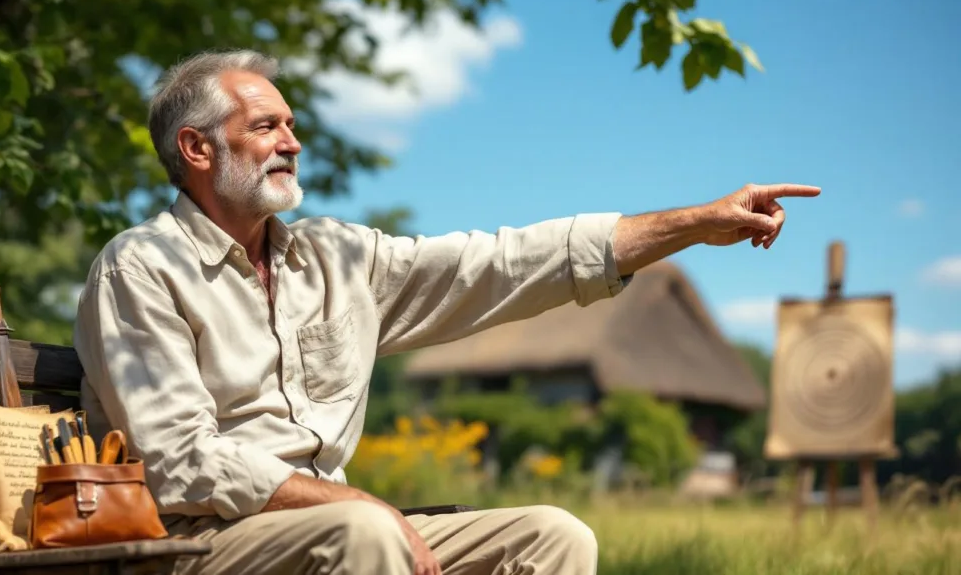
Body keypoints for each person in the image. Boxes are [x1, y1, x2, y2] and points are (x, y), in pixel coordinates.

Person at [72, 49, 820, 575]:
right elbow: (182, 464)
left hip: (342, 528)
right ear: (196, 148)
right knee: (363, 532)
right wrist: (362, 502)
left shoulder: (337, 258)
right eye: (266, 127)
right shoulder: (140, 269)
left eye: (292, 125)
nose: (293, 143)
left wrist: (695, 223)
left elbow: (499, 264)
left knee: (553, 537)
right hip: (198, 548)